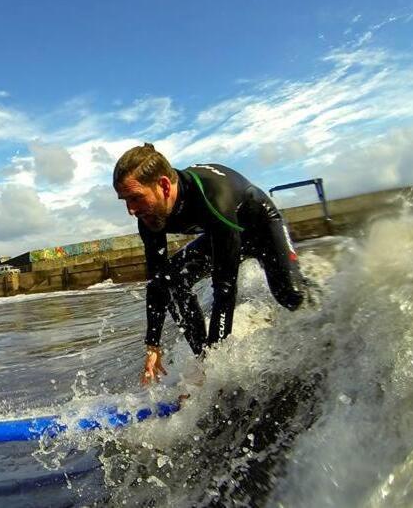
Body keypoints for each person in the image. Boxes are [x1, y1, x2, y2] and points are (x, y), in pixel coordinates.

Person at [113, 143, 306, 385]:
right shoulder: (148, 215)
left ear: (163, 185)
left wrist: (216, 372)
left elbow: (224, 290)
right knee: (172, 280)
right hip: (222, 233)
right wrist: (153, 345)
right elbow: (157, 281)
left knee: (292, 296)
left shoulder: (212, 196)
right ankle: (203, 359)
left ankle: (327, 313)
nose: (131, 210)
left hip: (261, 227)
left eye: (135, 198)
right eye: (125, 200)